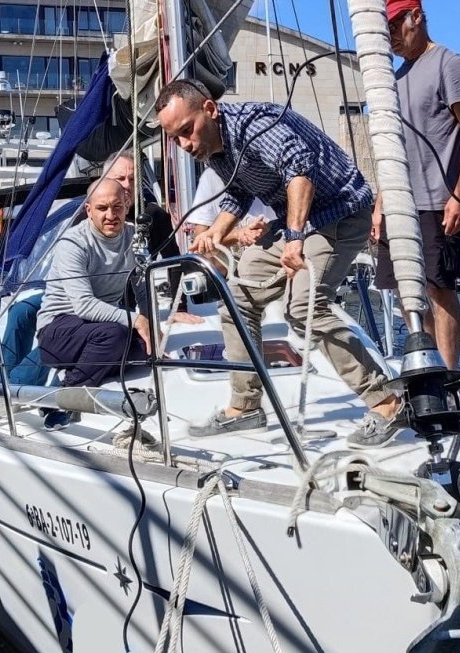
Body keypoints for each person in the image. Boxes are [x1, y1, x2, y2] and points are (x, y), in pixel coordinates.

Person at [155, 79, 405, 448]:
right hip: (298, 221)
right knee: (236, 299)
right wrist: (215, 233)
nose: (185, 144)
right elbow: (238, 193)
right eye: (175, 139)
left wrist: (295, 239)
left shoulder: (256, 126)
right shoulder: (217, 149)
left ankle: (386, 402)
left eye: (187, 130)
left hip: (339, 214)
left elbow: (299, 172)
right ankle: (245, 406)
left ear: (209, 109)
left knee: (303, 307)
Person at [373, 0, 460, 371]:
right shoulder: (393, 78)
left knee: (439, 291)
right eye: (385, 30)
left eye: (394, 26)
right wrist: (380, 203)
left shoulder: (449, 64)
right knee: (409, 293)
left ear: (416, 17)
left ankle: (450, 376)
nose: (390, 36)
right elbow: (393, 147)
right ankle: (429, 369)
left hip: (438, 200)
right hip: (399, 203)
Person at [34, 178, 151, 424]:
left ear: (127, 205)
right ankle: (64, 395)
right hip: (58, 328)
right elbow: (84, 305)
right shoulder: (73, 243)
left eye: (117, 207)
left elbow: (143, 290)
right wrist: (137, 320)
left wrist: (152, 329)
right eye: (102, 208)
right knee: (115, 336)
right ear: (88, 210)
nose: (111, 215)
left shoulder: (134, 237)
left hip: (98, 328)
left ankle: (92, 365)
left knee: (143, 350)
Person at [99, 150, 203, 325]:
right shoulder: (90, 218)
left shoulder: (154, 215)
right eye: (120, 178)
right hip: (100, 305)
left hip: (138, 305)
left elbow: (173, 261)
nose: (127, 185)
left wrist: (178, 308)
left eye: (132, 179)